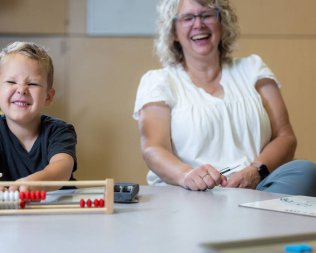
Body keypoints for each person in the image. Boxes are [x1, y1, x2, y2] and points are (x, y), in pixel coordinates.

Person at [133, 0, 316, 196]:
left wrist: (255, 171)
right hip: (190, 192)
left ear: (222, 22)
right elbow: (153, 148)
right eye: (188, 18)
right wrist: (186, 176)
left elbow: (285, 137)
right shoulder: (158, 81)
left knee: (306, 171)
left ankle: (245, 215)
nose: (198, 24)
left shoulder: (253, 68)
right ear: (173, 31)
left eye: (206, 15)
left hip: (256, 188)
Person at [0, 41, 77, 197]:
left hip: (56, 213)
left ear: (48, 96)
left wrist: (31, 184)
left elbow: (61, 168)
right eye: (11, 82)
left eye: (33, 83)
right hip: (8, 216)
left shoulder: (60, 131)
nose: (21, 89)